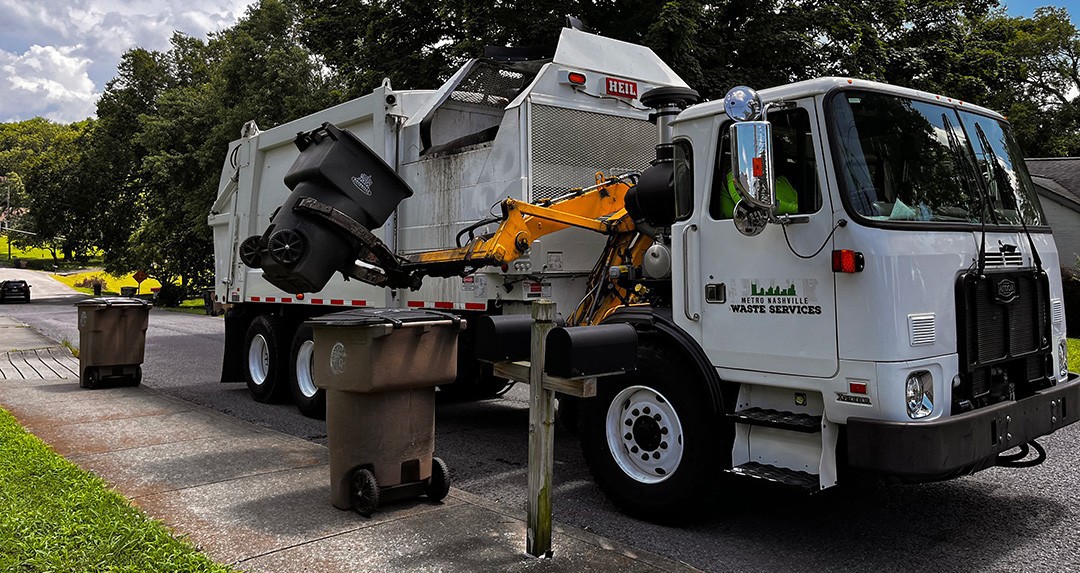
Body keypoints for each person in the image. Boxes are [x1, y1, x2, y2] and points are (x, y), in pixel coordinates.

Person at [719, 171, 799, 219]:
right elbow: (755, 206)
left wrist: (794, 209)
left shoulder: (735, 177)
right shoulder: (735, 176)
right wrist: (794, 209)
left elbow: (758, 206)